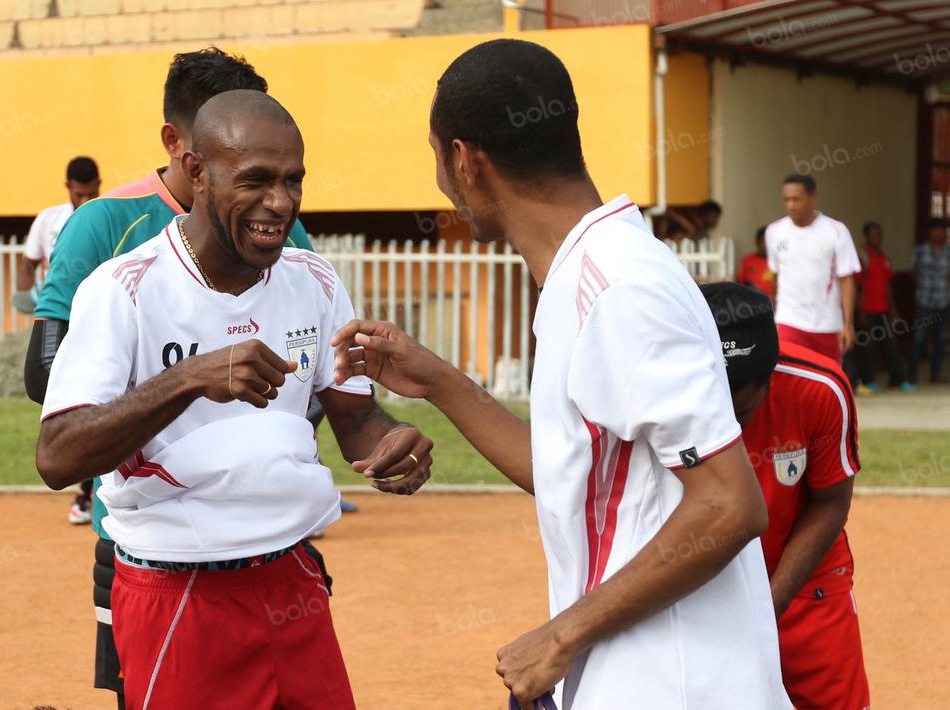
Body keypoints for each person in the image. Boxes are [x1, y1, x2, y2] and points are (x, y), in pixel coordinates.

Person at [332, 39, 788, 708]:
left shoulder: (615, 290)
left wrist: (560, 636)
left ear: (465, 160)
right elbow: (570, 473)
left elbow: (728, 503)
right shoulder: (589, 275)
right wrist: (437, 381)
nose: (440, 181)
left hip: (677, 685)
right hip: (632, 677)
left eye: (436, 158)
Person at [35, 90, 434, 709]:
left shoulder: (316, 281)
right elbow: (58, 456)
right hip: (178, 591)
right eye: (256, 181)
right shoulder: (123, 289)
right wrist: (191, 377)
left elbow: (355, 416)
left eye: (292, 181)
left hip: (293, 576)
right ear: (196, 172)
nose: (280, 203)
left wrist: (390, 443)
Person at [22, 48, 315, 709]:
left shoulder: (283, 235)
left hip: (266, 547)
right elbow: (43, 374)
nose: (271, 192)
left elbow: (317, 366)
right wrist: (181, 384)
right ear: (181, 146)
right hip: (149, 546)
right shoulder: (105, 224)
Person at [702, 282, 870, 710]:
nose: (729, 422)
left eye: (740, 411)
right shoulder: (663, 395)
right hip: (705, 593)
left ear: (770, 376)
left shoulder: (821, 388)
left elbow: (831, 502)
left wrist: (768, 604)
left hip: (804, 585)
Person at [765, 174, 861, 363]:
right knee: (789, 380)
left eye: (796, 199)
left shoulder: (836, 231)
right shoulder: (774, 232)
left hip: (827, 324)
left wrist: (848, 324)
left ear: (813, 197)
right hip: (788, 321)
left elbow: (846, 280)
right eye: (786, 199)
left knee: (827, 384)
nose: (791, 205)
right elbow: (775, 277)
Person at [12, 156, 101, 319]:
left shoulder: (110, 217)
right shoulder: (47, 219)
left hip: (96, 310)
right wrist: (34, 299)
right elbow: (27, 266)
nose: (85, 201)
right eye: (79, 194)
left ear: (99, 184)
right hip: (56, 311)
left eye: (91, 194)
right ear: (68, 187)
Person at [854, 221, 913, 392]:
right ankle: (868, 381)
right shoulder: (862, 257)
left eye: (880, 234)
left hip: (883, 310)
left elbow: (888, 286)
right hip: (867, 311)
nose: (878, 238)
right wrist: (860, 312)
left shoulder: (884, 257)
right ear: (866, 236)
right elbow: (857, 286)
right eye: (874, 234)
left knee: (891, 345)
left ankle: (897, 380)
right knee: (866, 347)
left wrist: (893, 311)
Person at [909, 218, 950, 385]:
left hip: (944, 301)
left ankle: (935, 374)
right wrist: (920, 285)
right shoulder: (920, 250)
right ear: (929, 232)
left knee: (940, 339)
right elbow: (913, 270)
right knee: (919, 338)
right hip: (925, 301)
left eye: (941, 230)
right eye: (935, 230)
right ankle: (912, 375)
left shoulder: (949, 251)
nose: (937, 233)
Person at [737, 226, 776, 300]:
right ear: (757, 242)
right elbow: (739, 284)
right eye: (763, 241)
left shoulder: (778, 261)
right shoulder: (747, 260)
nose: (766, 245)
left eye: (769, 241)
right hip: (753, 302)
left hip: (774, 303)